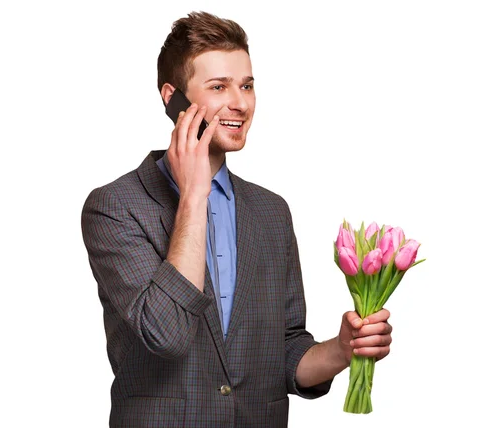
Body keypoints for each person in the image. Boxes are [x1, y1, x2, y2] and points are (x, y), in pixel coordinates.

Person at [81, 11, 393, 428]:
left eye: (246, 86)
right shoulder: (115, 207)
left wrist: (341, 348)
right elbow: (166, 334)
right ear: (172, 99)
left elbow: (284, 353)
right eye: (218, 87)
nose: (241, 103)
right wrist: (194, 195)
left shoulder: (271, 212)